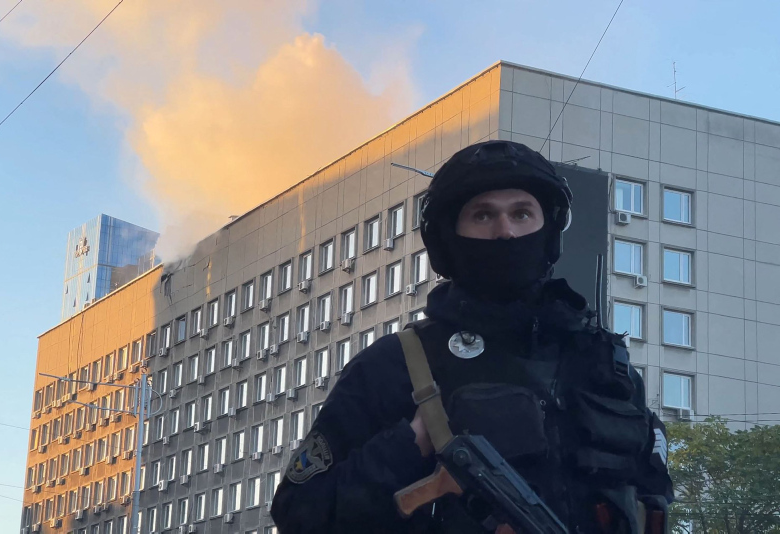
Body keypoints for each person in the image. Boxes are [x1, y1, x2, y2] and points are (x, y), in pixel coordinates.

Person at [271, 140, 673, 533]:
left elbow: (652, 503)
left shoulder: (606, 366)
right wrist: (410, 443)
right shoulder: (399, 364)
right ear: (449, 238)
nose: (506, 232)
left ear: (549, 230)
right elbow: (299, 512)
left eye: (522, 213)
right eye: (483, 215)